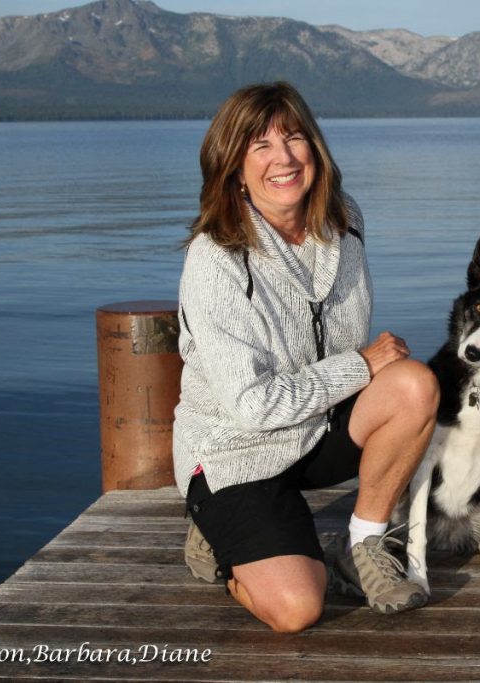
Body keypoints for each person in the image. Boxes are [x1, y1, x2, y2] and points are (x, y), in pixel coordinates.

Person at [173, 81, 439, 633]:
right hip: (235, 453)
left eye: (294, 138)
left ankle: (361, 546)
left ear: (315, 147)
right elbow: (253, 407)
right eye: (260, 146)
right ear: (233, 168)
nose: (284, 158)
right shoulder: (216, 259)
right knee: (297, 611)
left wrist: (365, 370)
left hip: (314, 426)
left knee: (416, 384)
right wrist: (361, 366)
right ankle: (218, 538)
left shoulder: (345, 222)